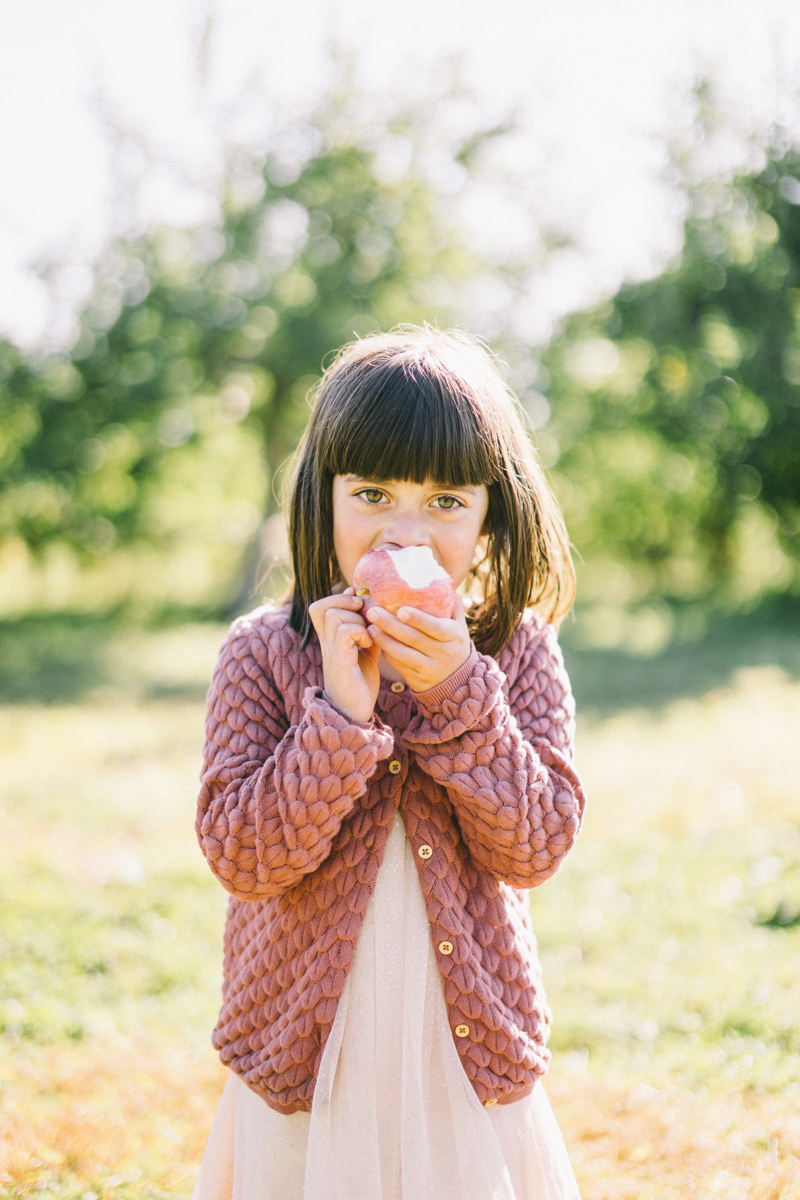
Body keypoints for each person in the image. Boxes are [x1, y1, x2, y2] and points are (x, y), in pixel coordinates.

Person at [192, 327, 585, 1200]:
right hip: (307, 1054)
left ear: (492, 513)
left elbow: (538, 845)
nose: (407, 530)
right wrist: (335, 717)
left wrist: (456, 696)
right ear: (321, 500)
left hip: (460, 1048)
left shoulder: (515, 653)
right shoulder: (263, 651)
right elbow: (243, 858)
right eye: (372, 493)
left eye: (447, 501)